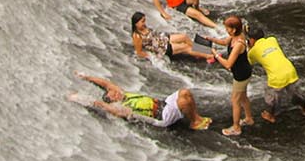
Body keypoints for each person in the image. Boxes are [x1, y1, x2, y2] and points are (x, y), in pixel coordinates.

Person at [68, 72, 211, 130]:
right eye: (113, 95)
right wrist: (77, 98)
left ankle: (197, 118)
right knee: (184, 102)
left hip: (163, 103)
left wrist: (85, 77)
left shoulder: (124, 94)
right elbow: (100, 104)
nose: (116, 93)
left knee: (185, 92)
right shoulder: (121, 108)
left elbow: (106, 83)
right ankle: (194, 123)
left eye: (115, 92)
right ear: (112, 101)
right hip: (161, 117)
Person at [246, 30, 305, 123]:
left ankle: (270, 116)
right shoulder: (272, 39)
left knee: (271, 98)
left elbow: (250, 62)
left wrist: (249, 48)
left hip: (276, 76)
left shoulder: (253, 52)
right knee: (295, 94)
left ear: (252, 39)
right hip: (290, 70)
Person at [211, 15, 254, 136]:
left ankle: (236, 127)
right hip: (243, 72)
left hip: (241, 75)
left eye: (227, 28)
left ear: (234, 29)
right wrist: (211, 39)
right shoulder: (234, 37)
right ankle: (249, 118)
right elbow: (224, 42)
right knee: (243, 97)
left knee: (235, 100)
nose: (226, 30)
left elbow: (228, 64)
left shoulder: (239, 44)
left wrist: (216, 55)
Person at [130, 12, 215, 61]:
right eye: (142, 21)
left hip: (163, 38)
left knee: (184, 37)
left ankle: (202, 50)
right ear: (136, 23)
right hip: (162, 47)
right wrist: (153, 57)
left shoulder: (143, 28)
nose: (144, 23)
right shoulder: (137, 36)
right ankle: (207, 55)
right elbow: (139, 52)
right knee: (185, 47)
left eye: (144, 21)